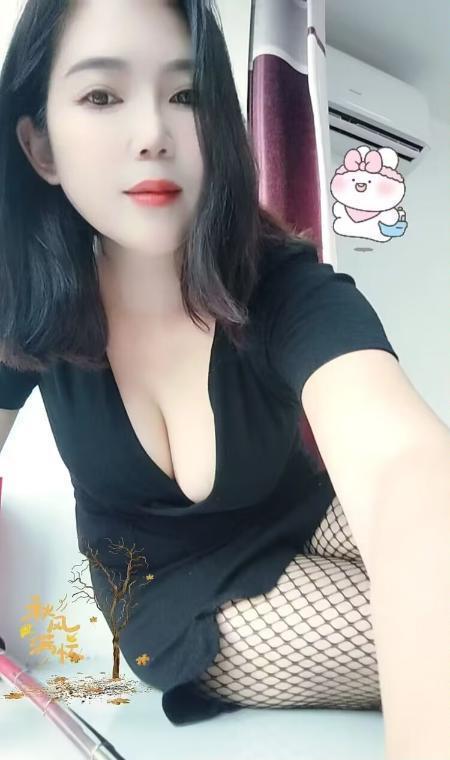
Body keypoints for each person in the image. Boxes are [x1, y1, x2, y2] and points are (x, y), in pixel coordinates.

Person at [0, 0, 399, 726]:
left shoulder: (280, 284)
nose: (154, 134)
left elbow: (405, 465)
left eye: (186, 95)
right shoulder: (26, 307)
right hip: (172, 597)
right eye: (101, 96)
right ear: (40, 147)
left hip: (307, 518)